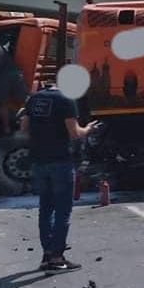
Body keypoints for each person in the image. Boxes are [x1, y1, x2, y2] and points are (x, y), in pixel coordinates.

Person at [19, 84, 97, 274]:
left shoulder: (34, 100)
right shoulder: (65, 100)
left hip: (39, 161)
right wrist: (88, 129)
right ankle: (57, 258)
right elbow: (74, 133)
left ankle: (47, 255)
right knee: (63, 210)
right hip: (60, 161)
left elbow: (23, 129)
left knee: (45, 208)